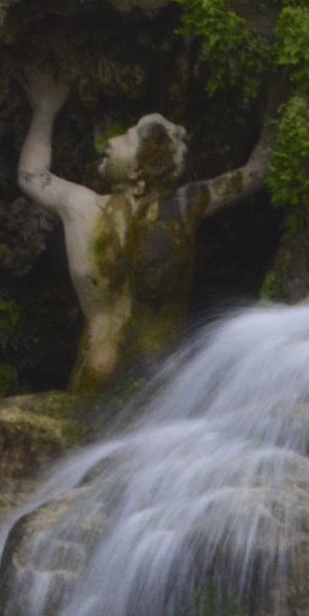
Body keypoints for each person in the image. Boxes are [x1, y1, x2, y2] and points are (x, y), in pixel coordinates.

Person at [17, 67, 269, 391]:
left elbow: (30, 175)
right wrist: (276, 99)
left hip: (97, 361)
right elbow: (257, 171)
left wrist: (44, 112)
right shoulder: (186, 204)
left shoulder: (83, 206)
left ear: (143, 165)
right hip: (164, 374)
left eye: (126, 138)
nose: (110, 141)